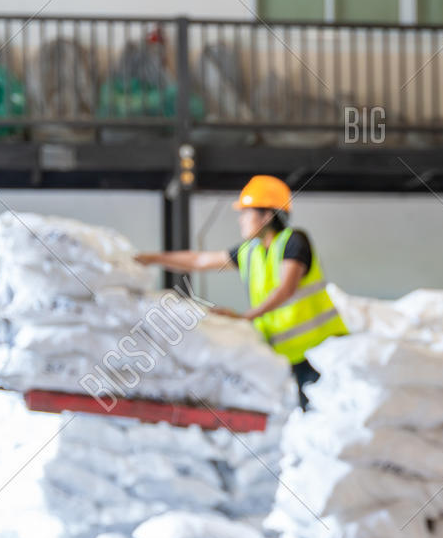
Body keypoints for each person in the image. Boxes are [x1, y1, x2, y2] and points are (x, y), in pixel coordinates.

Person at [134, 175, 347, 409]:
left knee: (326, 417)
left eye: (246, 213)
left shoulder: (294, 241)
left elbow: (286, 289)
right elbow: (200, 260)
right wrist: (153, 258)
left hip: (322, 352)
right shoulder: (249, 252)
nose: (240, 220)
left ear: (267, 216)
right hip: (288, 355)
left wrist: (244, 318)